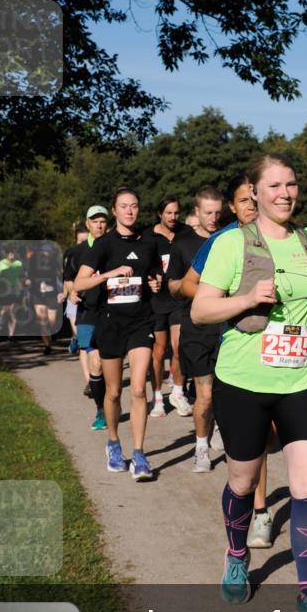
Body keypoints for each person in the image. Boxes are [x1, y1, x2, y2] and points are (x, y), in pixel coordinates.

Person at [192, 153, 307, 612]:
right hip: (244, 380)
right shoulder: (231, 243)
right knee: (243, 482)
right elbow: (200, 310)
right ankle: (237, 555)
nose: (285, 194)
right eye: (275, 186)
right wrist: (246, 299)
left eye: (291, 185)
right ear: (255, 193)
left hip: (303, 377)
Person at [181, 173, 275, 545]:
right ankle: (258, 511)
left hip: (276, 347)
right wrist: (228, 298)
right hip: (233, 344)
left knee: (266, 432)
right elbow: (189, 284)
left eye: (256, 198)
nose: (252, 206)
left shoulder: (284, 237)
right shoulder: (222, 241)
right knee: (249, 435)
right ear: (233, 207)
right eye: (244, 200)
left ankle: (260, 509)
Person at [74, 188, 160, 479]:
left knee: (138, 389)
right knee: (113, 392)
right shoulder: (103, 244)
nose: (129, 211)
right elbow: (79, 284)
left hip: (141, 322)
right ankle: (113, 442)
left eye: (134, 206)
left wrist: (155, 283)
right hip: (110, 324)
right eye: (124, 206)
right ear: (114, 210)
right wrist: (109, 274)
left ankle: (139, 454)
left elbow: (152, 277)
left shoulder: (148, 242)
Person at [167, 186, 224, 471]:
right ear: (197, 211)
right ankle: (201, 448)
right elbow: (172, 285)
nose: (213, 218)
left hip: (227, 325)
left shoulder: (229, 238)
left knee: (224, 392)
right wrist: (202, 292)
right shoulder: (182, 243)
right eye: (208, 212)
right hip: (197, 326)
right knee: (205, 393)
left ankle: (219, 429)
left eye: (218, 213)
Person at [63, 206, 109, 428]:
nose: (99, 225)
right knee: (96, 363)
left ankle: (111, 402)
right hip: (87, 312)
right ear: (88, 224)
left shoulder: (114, 247)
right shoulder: (76, 252)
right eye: (95, 221)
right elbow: (69, 280)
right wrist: (72, 291)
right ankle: (101, 410)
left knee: (111, 365)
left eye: (103, 221)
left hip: (112, 313)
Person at [144, 197, 190, 417]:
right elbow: (140, 265)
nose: (173, 217)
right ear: (159, 213)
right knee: (159, 350)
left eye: (176, 213)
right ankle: (157, 397)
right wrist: (149, 280)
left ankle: (178, 392)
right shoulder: (148, 236)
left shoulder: (185, 233)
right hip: (156, 301)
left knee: (179, 347)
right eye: (169, 213)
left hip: (179, 299)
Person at [26, 242, 64, 355]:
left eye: (48, 252)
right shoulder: (33, 263)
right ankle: (47, 346)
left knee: (51, 322)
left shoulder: (55, 265)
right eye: (44, 252)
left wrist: (61, 292)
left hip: (51, 294)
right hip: (38, 295)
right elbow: (28, 277)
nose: (46, 254)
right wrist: (28, 283)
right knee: (42, 322)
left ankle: (51, 335)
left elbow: (60, 278)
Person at [64, 226, 87, 355]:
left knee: (87, 337)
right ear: (75, 241)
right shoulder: (70, 254)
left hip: (90, 299)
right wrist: (67, 293)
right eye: (80, 241)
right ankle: (75, 339)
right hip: (74, 298)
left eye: (86, 240)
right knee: (79, 333)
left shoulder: (96, 252)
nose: (83, 244)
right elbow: (67, 277)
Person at [0, 247, 24, 340]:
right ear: (6, 254)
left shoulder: (19, 263)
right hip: (4, 290)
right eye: (10, 253)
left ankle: (11, 335)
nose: (12, 254)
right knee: (4, 311)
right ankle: (1, 328)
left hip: (16, 290)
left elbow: (22, 275)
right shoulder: (1, 263)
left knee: (12, 311)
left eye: (13, 253)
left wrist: (23, 284)